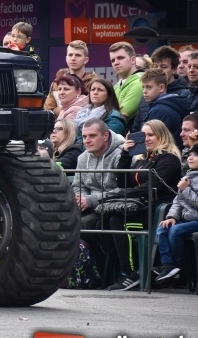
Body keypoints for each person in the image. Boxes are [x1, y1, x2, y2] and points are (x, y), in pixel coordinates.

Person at [106, 119, 182, 291]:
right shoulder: (142, 159)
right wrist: (126, 154)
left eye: (150, 135)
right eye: (143, 135)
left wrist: (122, 194)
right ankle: (115, 273)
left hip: (156, 211)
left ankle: (131, 273)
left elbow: (152, 186)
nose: (146, 139)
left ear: (161, 136)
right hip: (139, 206)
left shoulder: (169, 159)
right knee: (102, 221)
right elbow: (123, 182)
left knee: (118, 221)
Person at [153, 143, 198, 284]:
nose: (191, 158)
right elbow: (177, 201)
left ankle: (176, 266)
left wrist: (185, 190)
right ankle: (167, 264)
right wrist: (172, 217)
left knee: (176, 230)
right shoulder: (188, 176)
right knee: (163, 228)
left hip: (195, 219)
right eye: (190, 155)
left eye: (196, 155)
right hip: (186, 219)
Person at [74, 119, 126, 228]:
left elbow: (124, 189)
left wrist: (92, 200)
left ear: (105, 136)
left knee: (81, 224)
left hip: (114, 207)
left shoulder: (122, 156)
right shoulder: (82, 157)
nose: (87, 141)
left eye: (92, 136)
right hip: (88, 206)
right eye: (84, 137)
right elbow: (78, 185)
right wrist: (82, 200)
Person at [131, 46, 192, 137]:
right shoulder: (145, 97)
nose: (158, 70)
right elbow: (136, 128)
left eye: (163, 67)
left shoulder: (184, 95)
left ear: (174, 69)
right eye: (155, 66)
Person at [133, 68, 190, 147]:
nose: (144, 91)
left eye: (149, 87)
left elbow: (153, 144)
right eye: (143, 87)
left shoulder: (159, 111)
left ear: (161, 88)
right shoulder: (168, 104)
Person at [45, 41, 97, 115]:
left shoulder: (95, 83)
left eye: (78, 55)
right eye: (70, 55)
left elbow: (97, 109)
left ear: (86, 60)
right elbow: (48, 109)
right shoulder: (56, 83)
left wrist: (65, 109)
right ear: (66, 58)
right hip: (60, 125)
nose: (73, 58)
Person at [109, 42, 144, 125]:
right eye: (112, 60)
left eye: (120, 58)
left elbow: (121, 115)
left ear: (132, 60)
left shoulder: (141, 81)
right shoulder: (117, 85)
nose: (116, 63)